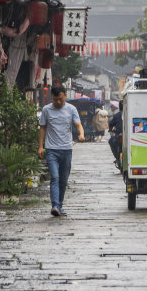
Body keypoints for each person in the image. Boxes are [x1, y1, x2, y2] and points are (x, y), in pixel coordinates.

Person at [38, 86, 84, 217]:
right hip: (52, 149)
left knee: (63, 180)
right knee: (54, 177)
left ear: (65, 96)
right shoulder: (47, 110)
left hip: (66, 150)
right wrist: (40, 146)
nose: (58, 102)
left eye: (61, 99)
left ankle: (60, 205)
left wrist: (81, 134)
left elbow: (78, 124)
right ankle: (55, 205)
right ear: (51, 98)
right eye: (55, 99)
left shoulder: (71, 109)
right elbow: (42, 128)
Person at [108, 100, 123, 168]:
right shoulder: (132, 114)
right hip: (122, 137)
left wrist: (110, 129)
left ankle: (117, 157)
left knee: (111, 141)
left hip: (119, 135)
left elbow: (110, 124)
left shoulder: (116, 115)